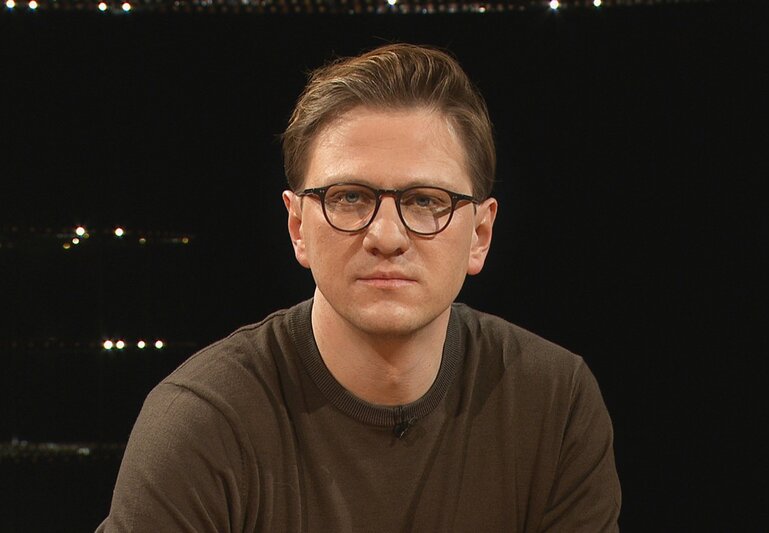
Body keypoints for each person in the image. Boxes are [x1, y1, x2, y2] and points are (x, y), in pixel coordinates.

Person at [97, 43, 620, 532]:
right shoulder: (200, 423)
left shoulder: (556, 402)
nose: (386, 237)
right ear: (298, 227)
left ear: (479, 235)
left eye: (426, 201)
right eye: (349, 197)